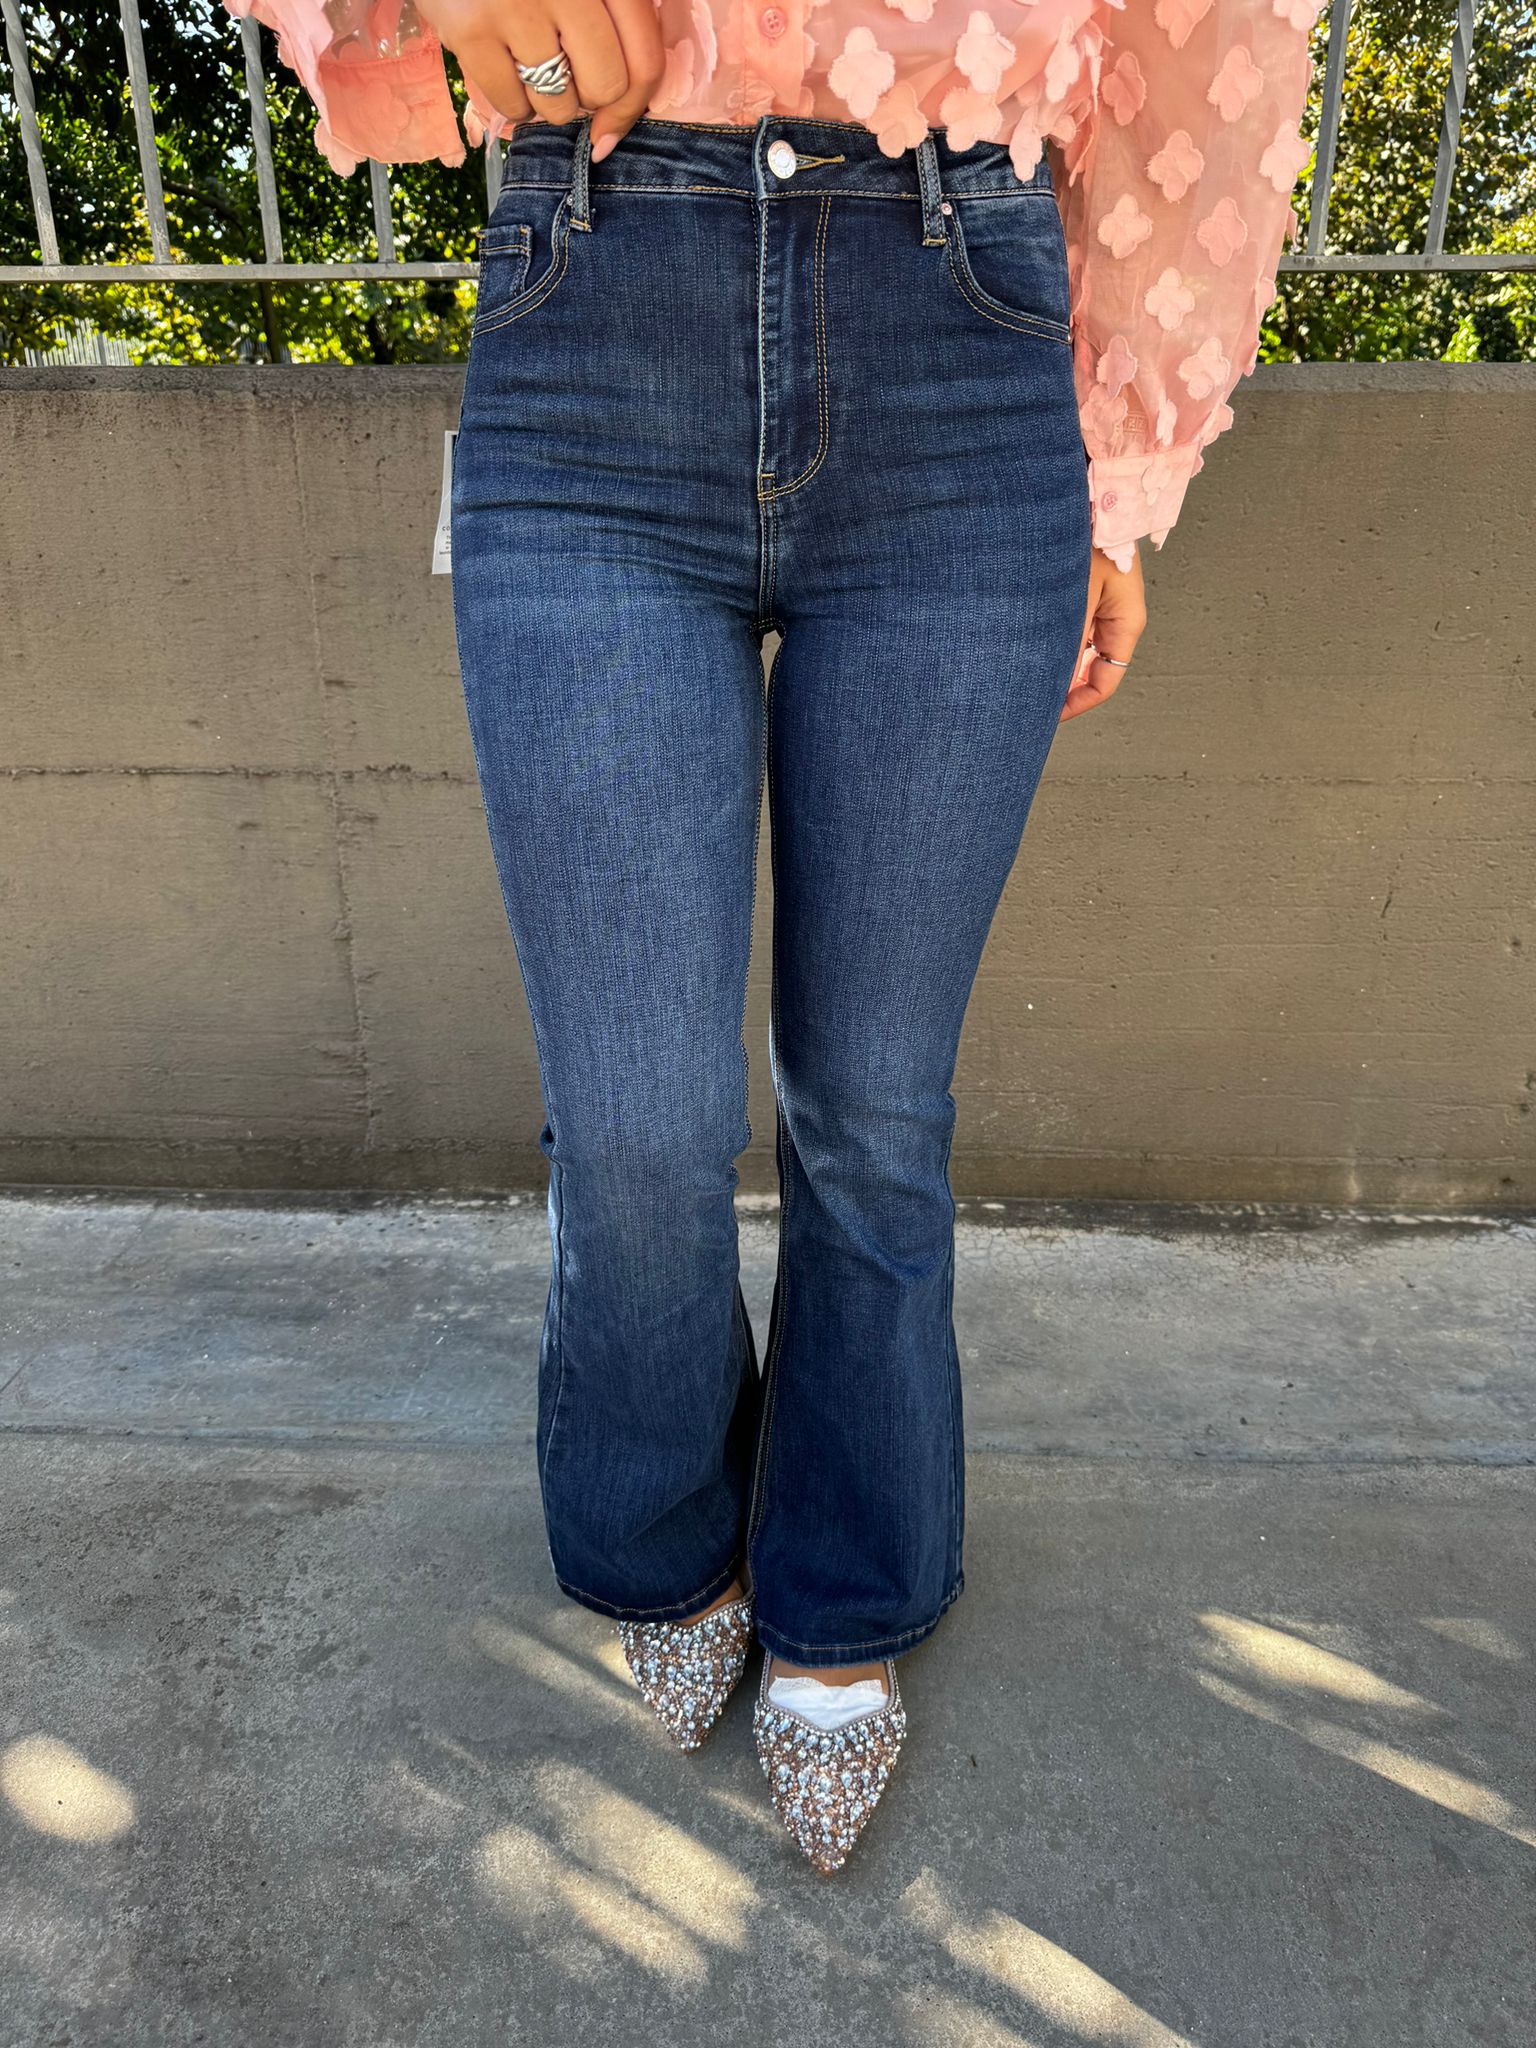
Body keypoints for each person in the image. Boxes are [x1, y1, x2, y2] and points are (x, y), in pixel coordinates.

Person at [229, 0, 1316, 1873]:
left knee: (872, 1103)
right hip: (595, 295)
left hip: (960, 333)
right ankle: (661, 1530)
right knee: (636, 1119)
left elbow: (1209, 37)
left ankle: (846, 1578)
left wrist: (1125, 464)